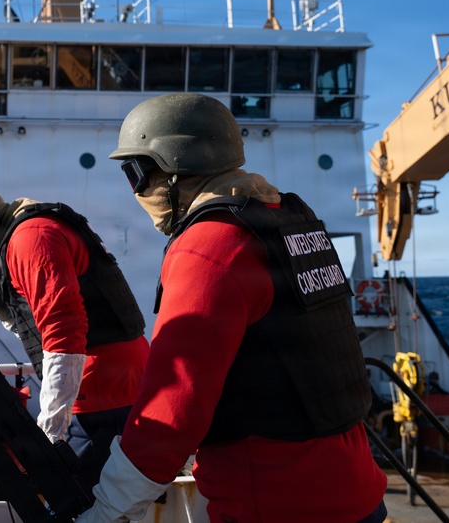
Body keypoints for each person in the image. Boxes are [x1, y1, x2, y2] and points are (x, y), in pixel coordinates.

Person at [77, 93, 387, 523]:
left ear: (167, 169)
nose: (137, 190)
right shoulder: (290, 218)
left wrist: (105, 511)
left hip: (276, 505)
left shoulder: (209, 247)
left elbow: (170, 412)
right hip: (357, 491)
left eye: (136, 173)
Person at [0, 182, 150, 489]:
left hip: (104, 396)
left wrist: (51, 431)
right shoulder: (29, 234)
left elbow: (64, 332)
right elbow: (41, 325)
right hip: (103, 388)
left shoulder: (31, 240)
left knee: (81, 502)